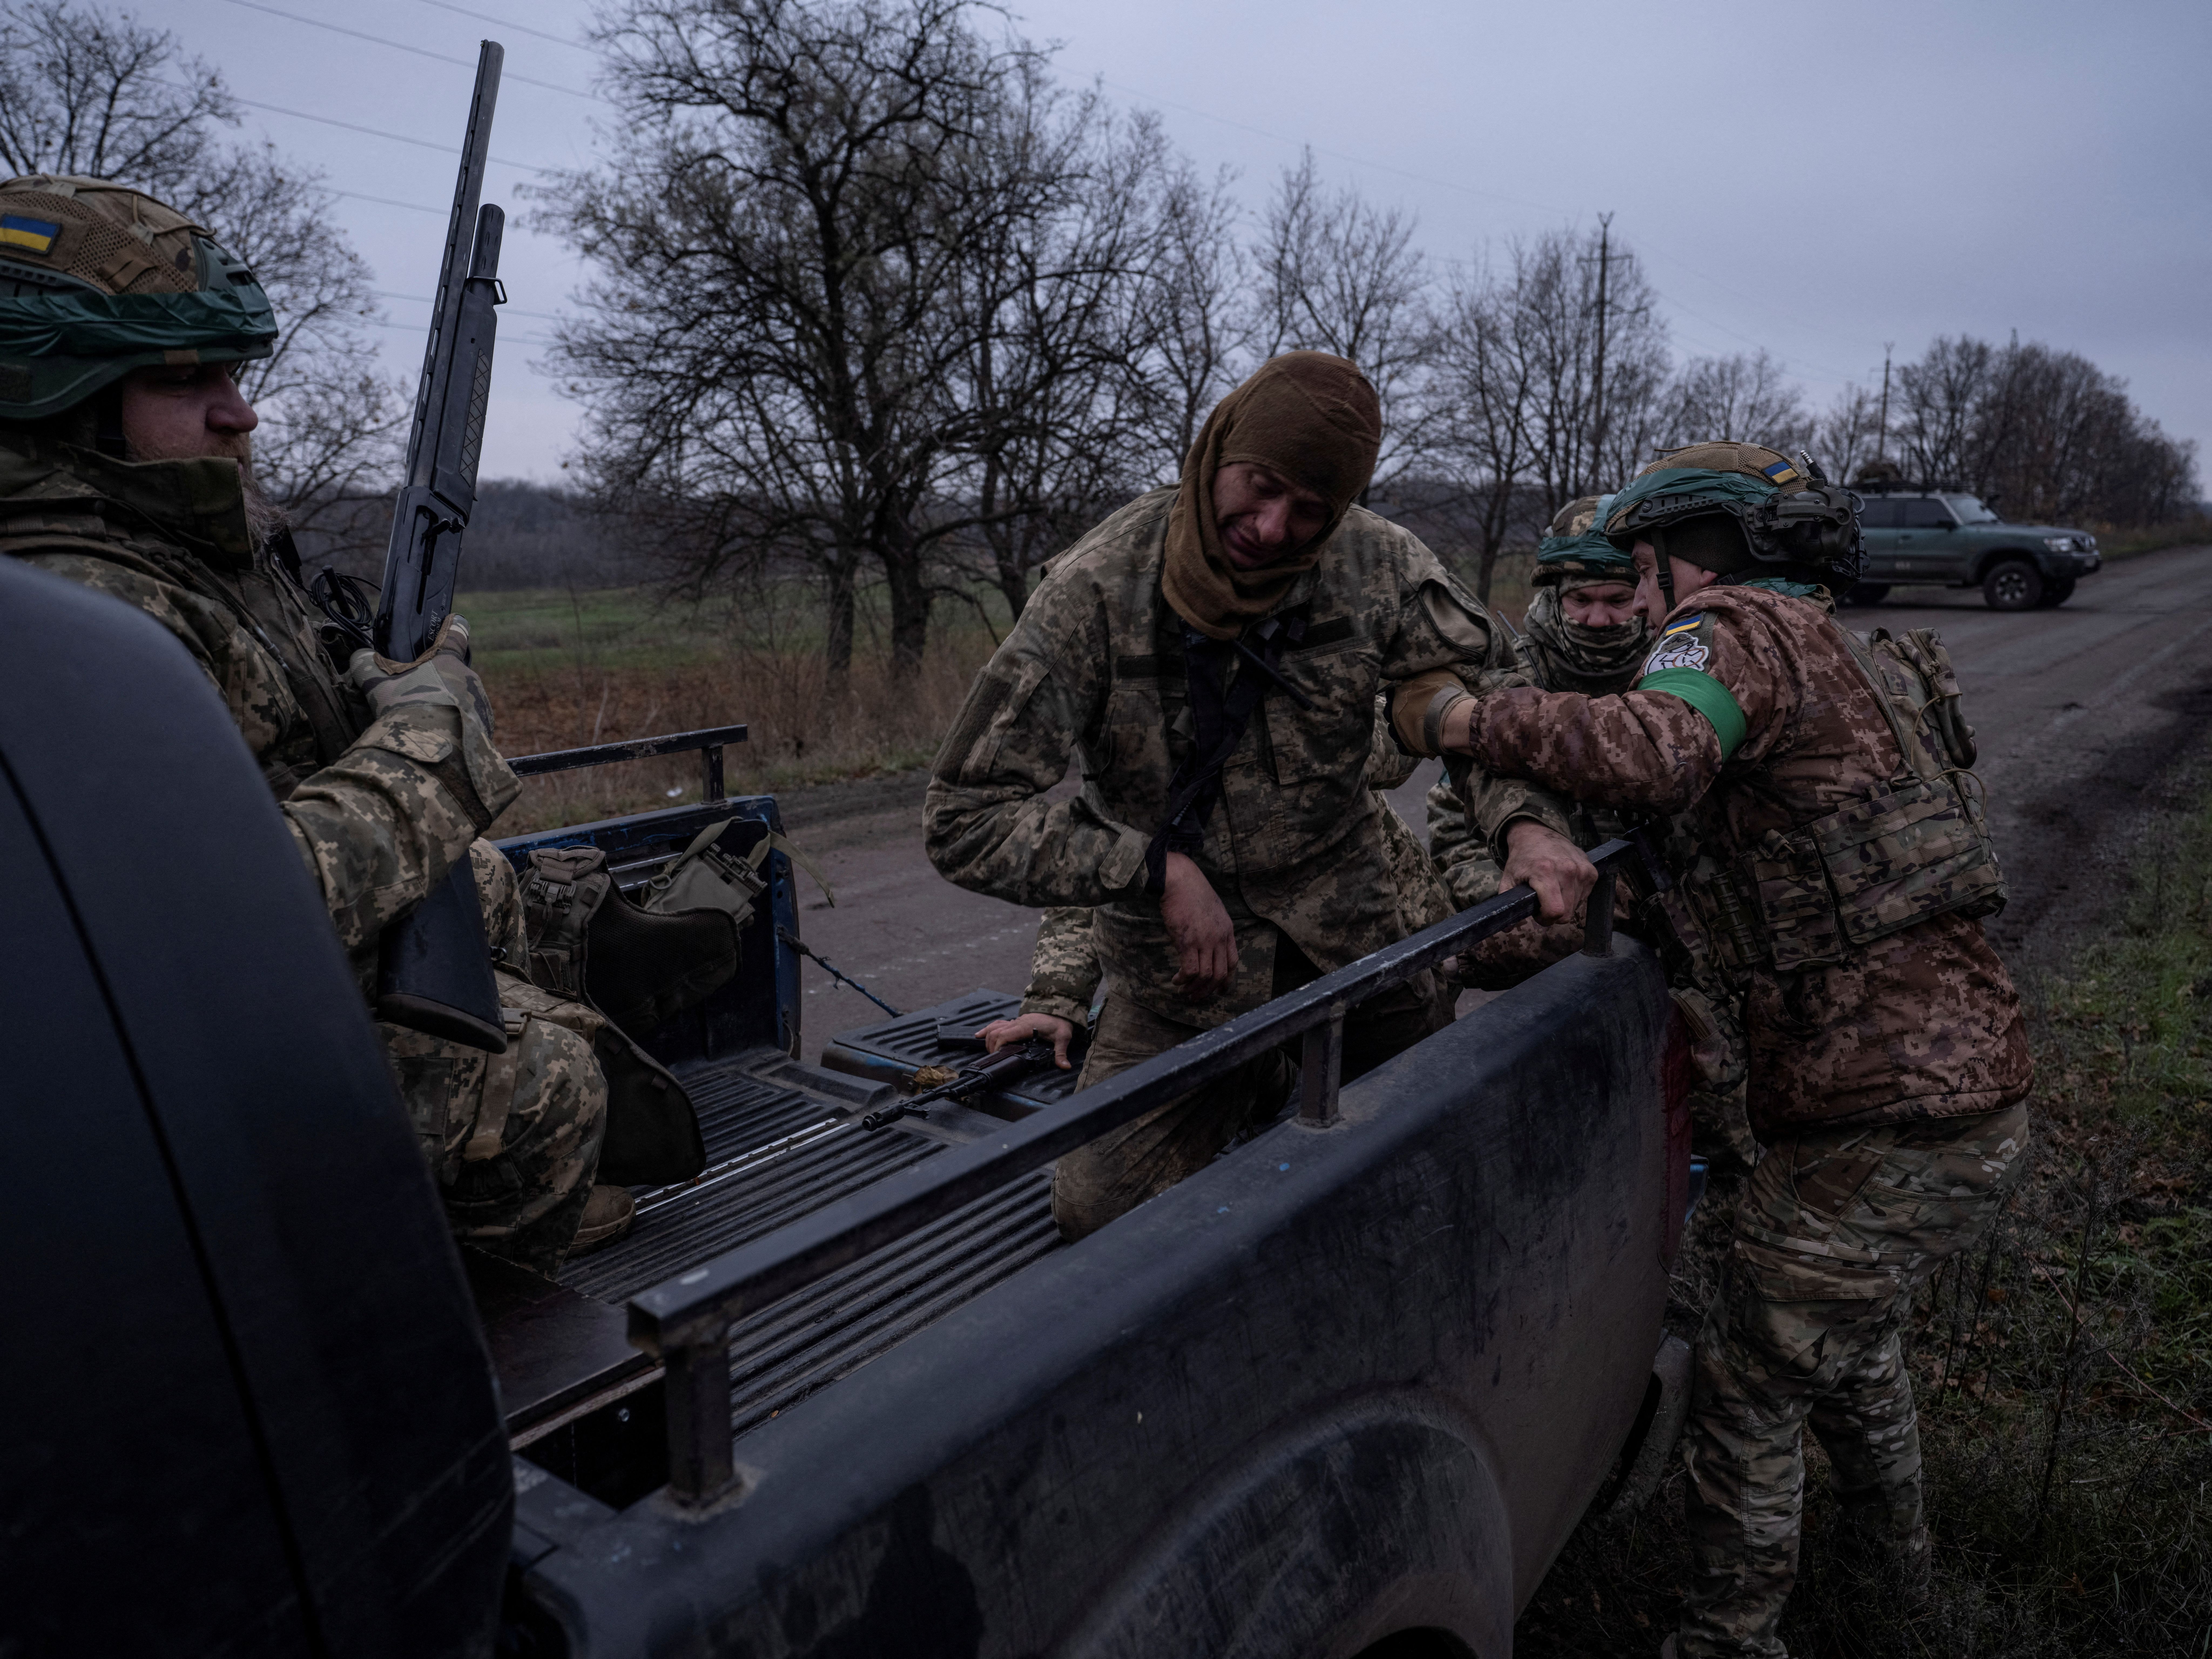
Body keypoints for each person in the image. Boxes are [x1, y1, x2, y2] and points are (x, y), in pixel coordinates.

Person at [1437, 441, 2032, 1658]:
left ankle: (1723, 1640)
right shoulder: (1853, 651)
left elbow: (1653, 753)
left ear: (1678, 555)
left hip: (1890, 1104)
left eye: (1638, 573)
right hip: (1940, 1093)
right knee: (1848, 1346)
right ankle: (1893, 1594)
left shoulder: (1732, 633)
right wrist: (1477, 949)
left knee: (1747, 1378)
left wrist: (1456, 716)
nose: (1632, 600)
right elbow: (1718, 887)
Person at [0, 174, 629, 1273]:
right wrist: (428, 740)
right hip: (134, 1088)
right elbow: (220, 922)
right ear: (51, 395)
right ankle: (388, 1292)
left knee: (491, 890)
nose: (239, 412)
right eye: (187, 380)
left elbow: (272, 688)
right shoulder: (66, 611)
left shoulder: (170, 531)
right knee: (547, 1092)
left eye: (235, 373)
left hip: (196, 1035)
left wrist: (373, 670)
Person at [925, 351, 1584, 1241]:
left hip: (1360, 945)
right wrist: (1153, 870)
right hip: (1179, 977)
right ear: (1219, 448)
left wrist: (1526, 825)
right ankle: (1262, 1071)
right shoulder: (1093, 592)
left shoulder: (1378, 564)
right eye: (1261, 487)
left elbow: (1479, 703)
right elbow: (966, 819)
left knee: (1424, 1172)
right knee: (1096, 1217)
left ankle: (1290, 1079)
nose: (1273, 528)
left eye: (1309, 509)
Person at [1428, 495, 1760, 1167]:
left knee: (1710, 1110)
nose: (1601, 619)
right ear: (1551, 595)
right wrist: (1524, 896)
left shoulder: (1679, 672)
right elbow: (1453, 821)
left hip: (1671, 929)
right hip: (1549, 923)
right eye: (1582, 600)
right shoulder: (1513, 679)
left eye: (1617, 598)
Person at [978, 698, 1455, 1068]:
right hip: (1242, 995)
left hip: (1384, 954)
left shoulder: (1300, 654)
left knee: (1400, 1109)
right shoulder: (1142, 719)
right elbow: (1105, 863)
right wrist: (1056, 1000)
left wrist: (1276, 739)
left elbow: (1396, 741)